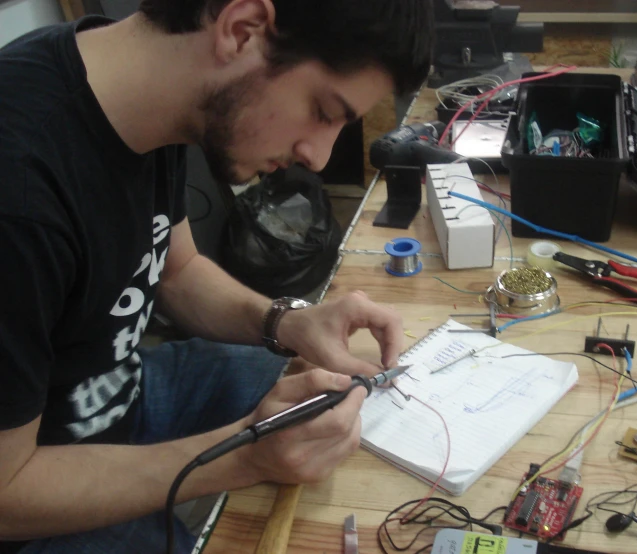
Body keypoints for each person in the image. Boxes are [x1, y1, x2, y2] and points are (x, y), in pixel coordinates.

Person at [0, 0, 433, 552]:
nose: (319, 157)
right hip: (33, 482)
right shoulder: (18, 190)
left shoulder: (153, 98)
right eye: (324, 111)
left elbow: (177, 270)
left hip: (122, 393)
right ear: (243, 29)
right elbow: (5, 494)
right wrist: (243, 455)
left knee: (342, 403)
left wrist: (289, 321)